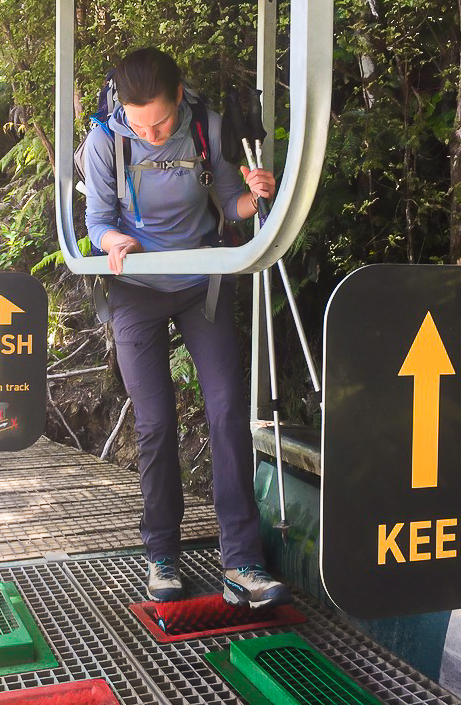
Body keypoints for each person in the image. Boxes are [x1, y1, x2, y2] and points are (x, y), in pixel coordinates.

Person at [83, 47, 291, 609]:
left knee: (226, 409)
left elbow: (231, 203)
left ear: (180, 98)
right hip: (136, 290)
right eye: (138, 123)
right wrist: (111, 241)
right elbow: (97, 220)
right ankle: (162, 555)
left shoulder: (208, 127)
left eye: (161, 121)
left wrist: (258, 195)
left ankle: (242, 561)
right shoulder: (106, 138)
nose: (150, 134)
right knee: (154, 421)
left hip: (204, 281)